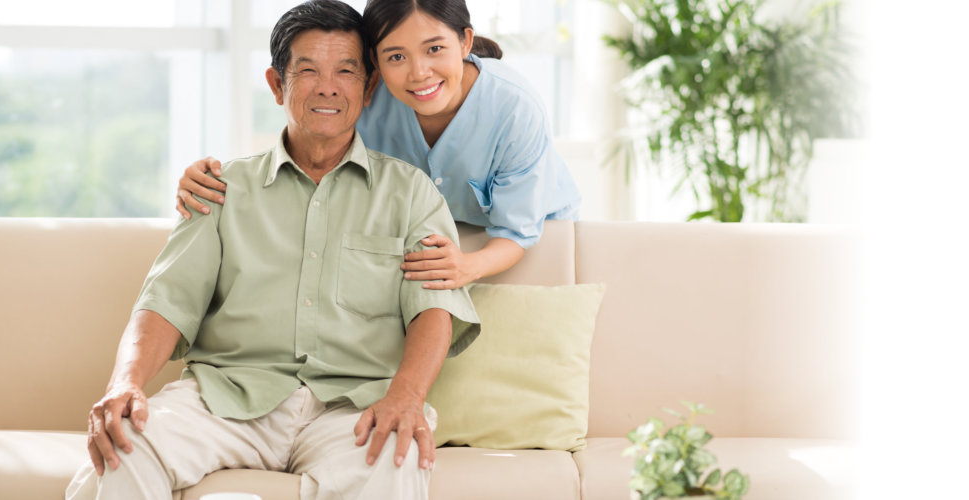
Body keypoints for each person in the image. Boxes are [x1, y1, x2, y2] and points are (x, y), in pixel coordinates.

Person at [65, 1, 480, 499]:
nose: (328, 87)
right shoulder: (220, 188)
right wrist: (125, 382)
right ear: (277, 84)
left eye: (346, 71)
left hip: (354, 408)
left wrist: (407, 397)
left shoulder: (411, 192)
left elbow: (432, 307)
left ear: (369, 88)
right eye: (308, 71)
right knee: (123, 441)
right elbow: (165, 302)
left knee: (396, 457)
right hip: (227, 399)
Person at [174, 0, 583, 291]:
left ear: (464, 41)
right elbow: (306, 149)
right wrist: (212, 180)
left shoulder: (513, 106)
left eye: (435, 49)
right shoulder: (366, 96)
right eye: (396, 56)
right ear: (375, 62)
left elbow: (517, 230)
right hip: (425, 240)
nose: (419, 73)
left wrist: (467, 265)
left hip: (526, 239)